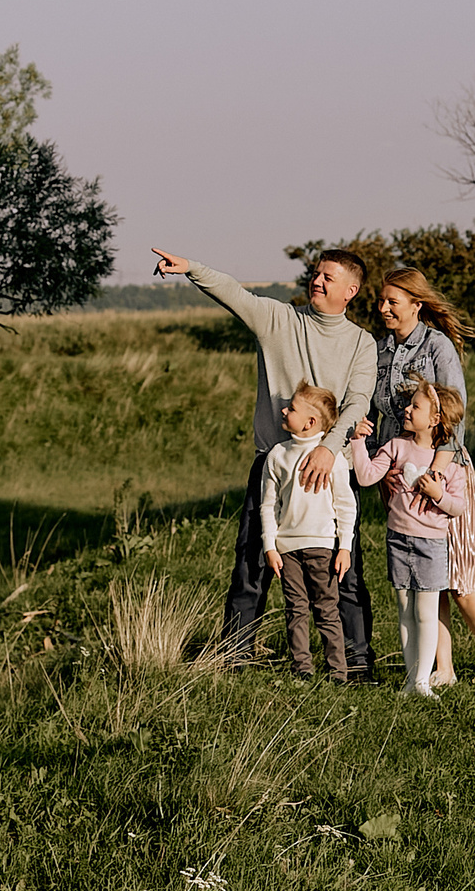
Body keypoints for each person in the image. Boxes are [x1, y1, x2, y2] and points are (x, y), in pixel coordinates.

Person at [151, 244, 378, 671]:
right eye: (316, 273)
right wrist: (191, 268)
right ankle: (235, 655)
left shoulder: (361, 343)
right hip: (274, 464)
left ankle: (356, 662)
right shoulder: (279, 320)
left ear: (350, 290)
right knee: (252, 562)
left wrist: (328, 449)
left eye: (328, 277)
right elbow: (234, 293)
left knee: (343, 568)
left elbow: (358, 402)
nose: (317, 280)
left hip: (331, 467)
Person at [371, 267, 475, 692]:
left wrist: (434, 475)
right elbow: (377, 414)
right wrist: (386, 468)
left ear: (417, 305)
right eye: (381, 300)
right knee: (424, 578)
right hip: (397, 477)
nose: (383, 308)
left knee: (460, 576)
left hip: (443, 474)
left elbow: (455, 415)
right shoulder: (377, 351)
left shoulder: (437, 347)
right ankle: (443, 668)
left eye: (393, 302)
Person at [349, 379, 466, 697]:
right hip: (398, 539)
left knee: (425, 613)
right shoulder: (396, 447)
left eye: (416, 406)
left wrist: (438, 494)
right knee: (404, 609)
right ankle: (411, 679)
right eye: (409, 404)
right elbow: (366, 476)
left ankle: (422, 681)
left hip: (431, 545)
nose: (407, 410)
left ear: (435, 419)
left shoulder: (450, 461)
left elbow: (458, 507)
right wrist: (358, 441)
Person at [258, 384, 356, 680]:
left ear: (310, 422)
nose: (283, 410)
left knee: (327, 609)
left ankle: (337, 671)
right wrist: (270, 546)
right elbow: (268, 505)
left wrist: (345, 547)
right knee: (295, 609)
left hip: (323, 547)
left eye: (291, 408)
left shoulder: (333, 459)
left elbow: (345, 505)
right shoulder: (277, 455)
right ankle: (302, 669)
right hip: (287, 550)